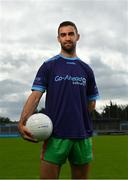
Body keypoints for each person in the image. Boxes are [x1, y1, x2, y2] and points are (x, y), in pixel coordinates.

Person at [18, 21, 99, 179]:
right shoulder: (49, 66)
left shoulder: (86, 69)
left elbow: (92, 103)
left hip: (82, 135)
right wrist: (22, 122)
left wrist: (77, 117)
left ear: (77, 37)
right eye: (63, 35)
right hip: (55, 134)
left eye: (71, 34)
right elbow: (35, 96)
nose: (67, 38)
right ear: (58, 39)